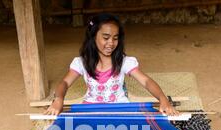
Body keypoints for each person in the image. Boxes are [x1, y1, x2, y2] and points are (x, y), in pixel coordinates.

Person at [45, 13, 179, 116]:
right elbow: (65, 83)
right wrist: (58, 99)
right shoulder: (82, 62)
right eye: (105, 38)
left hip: (120, 109)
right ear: (93, 36)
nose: (111, 43)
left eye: (115, 38)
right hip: (91, 109)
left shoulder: (124, 62)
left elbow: (146, 81)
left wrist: (163, 99)